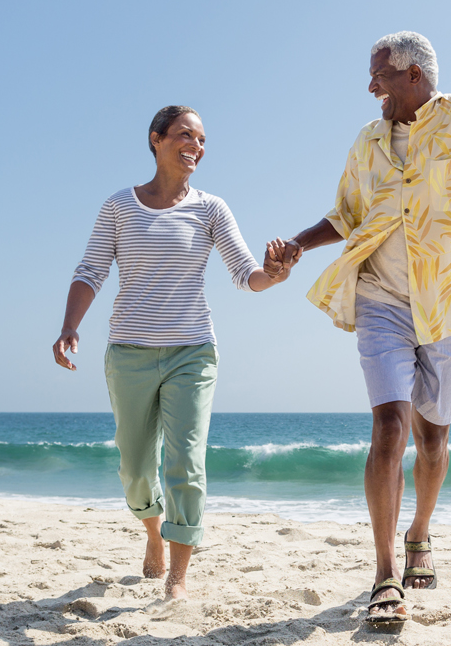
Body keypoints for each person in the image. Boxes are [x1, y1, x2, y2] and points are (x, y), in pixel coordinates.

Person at [282, 32, 451, 624]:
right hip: (380, 297)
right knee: (388, 428)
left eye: (379, 74)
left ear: (412, 76)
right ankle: (384, 577)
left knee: (432, 441)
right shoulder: (369, 141)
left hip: (449, 302)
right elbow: (345, 214)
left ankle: (420, 534)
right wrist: (299, 245)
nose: (371, 86)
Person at [53, 105, 298, 599]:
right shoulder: (119, 206)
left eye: (203, 140)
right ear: (156, 139)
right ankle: (152, 532)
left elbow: (243, 273)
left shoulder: (211, 208)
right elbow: (90, 270)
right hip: (130, 352)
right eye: (186, 135)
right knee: (136, 468)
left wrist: (274, 274)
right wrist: (69, 326)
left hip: (193, 352)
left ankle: (178, 577)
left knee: (187, 461)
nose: (197, 146)